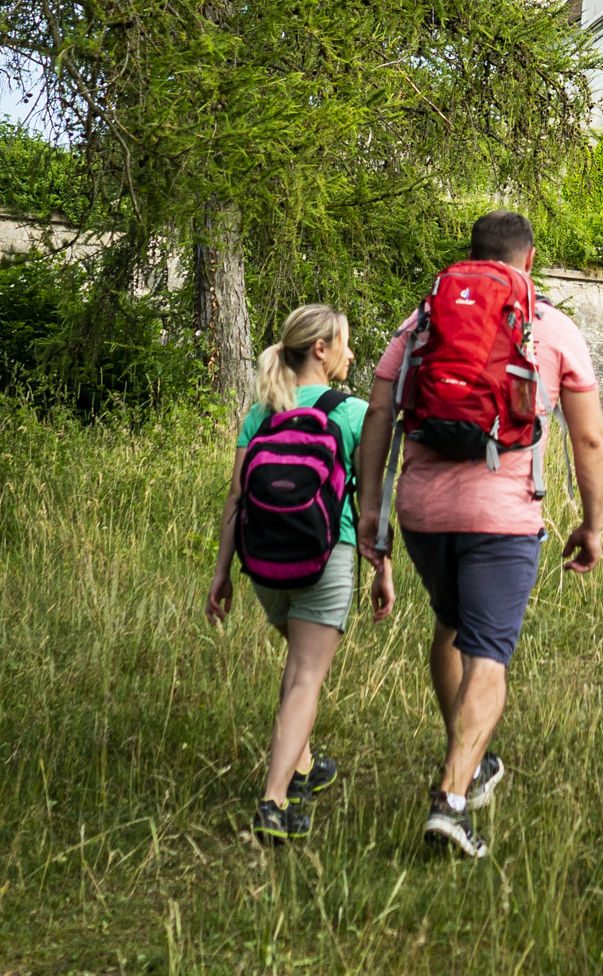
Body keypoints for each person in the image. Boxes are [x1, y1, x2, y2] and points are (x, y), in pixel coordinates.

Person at [356, 209, 603, 859]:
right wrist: (592, 522)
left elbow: (380, 408)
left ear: (471, 255)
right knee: (489, 653)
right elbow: (588, 436)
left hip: (421, 512)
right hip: (503, 514)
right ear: (528, 260)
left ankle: (469, 759)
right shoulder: (550, 325)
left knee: (448, 625)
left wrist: (371, 510)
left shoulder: (423, 320)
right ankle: (452, 797)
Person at [206, 304, 368, 844]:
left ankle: (304, 766)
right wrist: (383, 559)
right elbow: (371, 499)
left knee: (299, 667)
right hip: (327, 553)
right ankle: (274, 803)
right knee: (304, 675)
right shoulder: (352, 413)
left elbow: (235, 498)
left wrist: (222, 571)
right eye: (344, 342)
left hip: (264, 561)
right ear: (320, 349)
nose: (350, 352)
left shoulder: (260, 412)